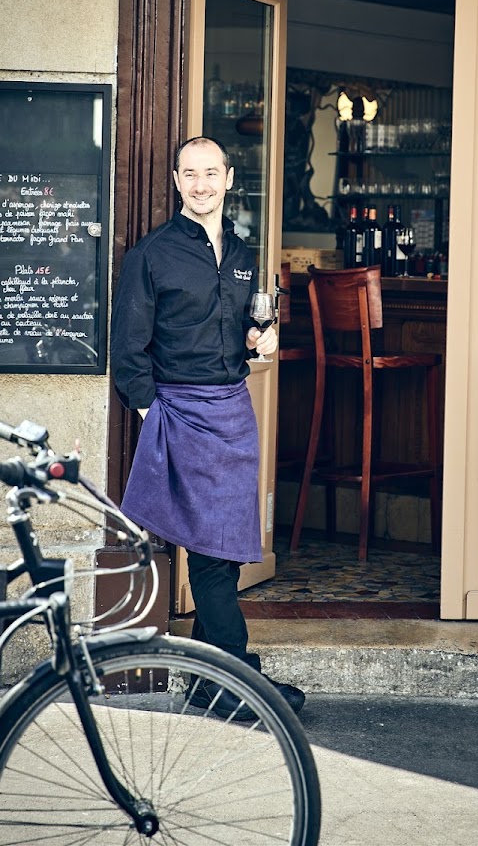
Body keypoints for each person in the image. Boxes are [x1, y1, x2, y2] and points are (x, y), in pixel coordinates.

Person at [110, 135, 305, 718]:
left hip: (233, 412)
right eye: (190, 174)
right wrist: (155, 416)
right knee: (211, 552)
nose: (201, 184)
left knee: (224, 547)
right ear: (176, 181)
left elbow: (242, 331)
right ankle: (237, 680)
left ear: (228, 178)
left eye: (210, 173)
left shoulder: (244, 254)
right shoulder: (151, 255)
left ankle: (208, 678)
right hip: (182, 411)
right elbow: (128, 352)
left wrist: (262, 339)